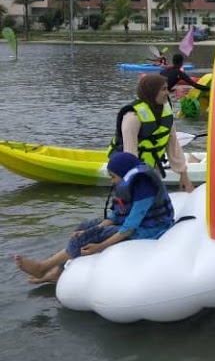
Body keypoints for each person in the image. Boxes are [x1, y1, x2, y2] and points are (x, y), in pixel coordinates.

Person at [14, 152, 175, 284]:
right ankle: (57, 271)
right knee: (85, 227)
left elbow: (130, 227)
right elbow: (115, 215)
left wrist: (100, 246)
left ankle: (43, 267)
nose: (112, 181)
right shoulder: (128, 183)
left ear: (123, 173)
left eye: (113, 176)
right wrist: (90, 229)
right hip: (137, 224)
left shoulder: (143, 187)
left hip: (153, 229)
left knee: (97, 235)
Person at [108, 74, 194, 192]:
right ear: (152, 92)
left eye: (167, 89)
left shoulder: (166, 111)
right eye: (163, 89)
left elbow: (173, 143)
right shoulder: (132, 117)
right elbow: (130, 153)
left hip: (153, 166)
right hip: (128, 171)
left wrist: (183, 174)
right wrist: (135, 185)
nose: (167, 93)